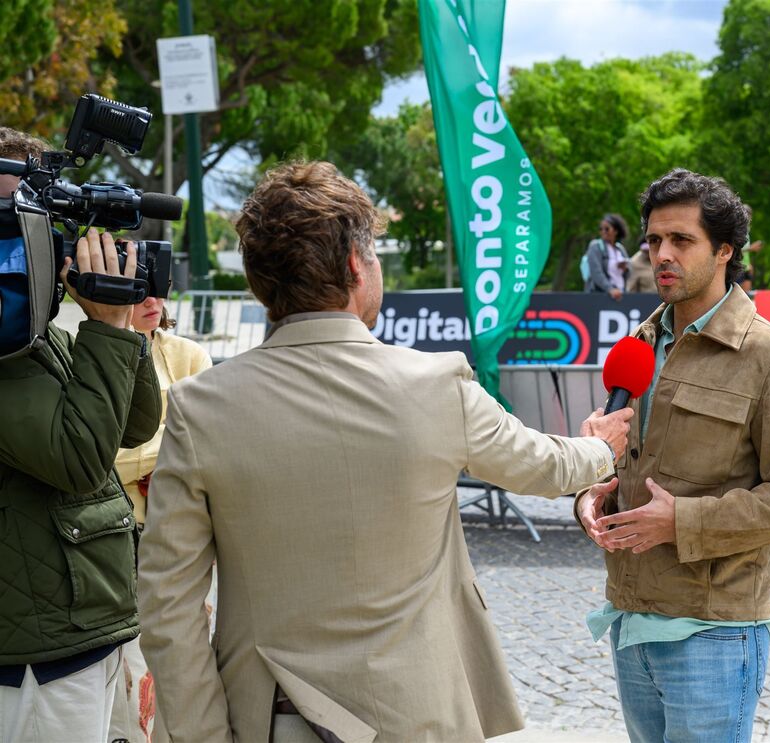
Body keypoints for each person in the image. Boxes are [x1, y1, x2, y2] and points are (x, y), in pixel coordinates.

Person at [137, 161, 633, 743]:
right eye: (374, 257)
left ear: (258, 281)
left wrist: (206, 736)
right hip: (416, 714)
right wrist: (600, 449)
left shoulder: (200, 407)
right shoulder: (435, 383)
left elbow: (168, 605)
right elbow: (541, 465)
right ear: (355, 265)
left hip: (269, 717)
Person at [575, 169, 770, 742]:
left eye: (681, 240)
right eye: (653, 241)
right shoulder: (637, 346)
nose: (662, 254)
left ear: (724, 251)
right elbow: (626, 461)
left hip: (714, 632)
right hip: (629, 617)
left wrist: (682, 522)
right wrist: (591, 490)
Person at [0, 128, 161, 741]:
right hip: (38, 660)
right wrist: (110, 329)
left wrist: (118, 321)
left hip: (82, 633)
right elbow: (77, 457)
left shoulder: (43, 338)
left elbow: (135, 424)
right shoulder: (8, 352)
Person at [109, 297, 211, 743]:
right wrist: (171, 450)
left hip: (183, 533)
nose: (151, 301)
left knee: (189, 659)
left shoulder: (189, 354)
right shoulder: (88, 357)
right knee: (131, 671)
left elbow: (208, 444)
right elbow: (97, 459)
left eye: (156, 287)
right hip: (120, 536)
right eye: (135, 293)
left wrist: (151, 460)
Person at [584, 213, 630, 300]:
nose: (603, 231)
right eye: (600, 229)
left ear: (616, 231)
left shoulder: (620, 249)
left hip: (620, 294)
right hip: (600, 295)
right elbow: (596, 272)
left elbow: (629, 273)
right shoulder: (595, 246)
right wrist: (610, 289)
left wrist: (625, 268)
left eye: (607, 229)